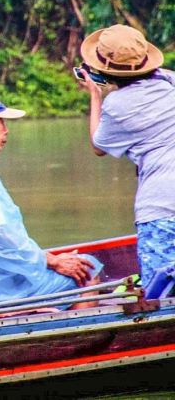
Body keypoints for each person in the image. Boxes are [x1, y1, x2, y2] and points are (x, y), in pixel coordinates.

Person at [0, 91, 101, 304]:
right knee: (88, 270)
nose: (6, 130)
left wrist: (45, 257)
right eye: (1, 122)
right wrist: (51, 261)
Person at [77, 24, 175, 288]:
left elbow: (99, 146)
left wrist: (95, 96)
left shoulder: (117, 105)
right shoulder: (169, 82)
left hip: (160, 209)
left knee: (161, 293)